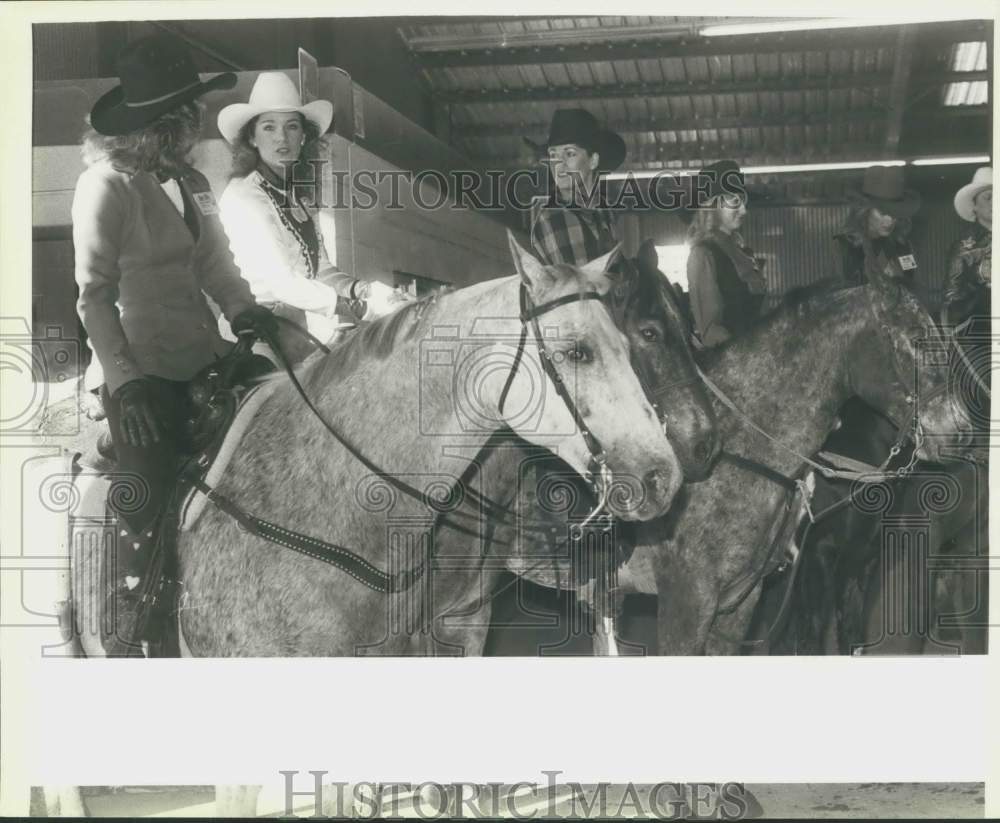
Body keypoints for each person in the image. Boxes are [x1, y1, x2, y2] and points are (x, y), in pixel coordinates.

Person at [72, 33, 277, 652]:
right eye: (185, 112)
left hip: (203, 356)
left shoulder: (192, 183)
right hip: (140, 369)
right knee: (149, 482)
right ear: (159, 120)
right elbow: (93, 297)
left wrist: (245, 315)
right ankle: (142, 619)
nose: (194, 123)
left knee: (285, 415)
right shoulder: (105, 186)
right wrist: (126, 382)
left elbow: (217, 265)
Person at [216, 72, 409, 355]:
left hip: (297, 327)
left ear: (304, 136)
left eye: (291, 127)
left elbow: (320, 270)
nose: (282, 137)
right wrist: (355, 307)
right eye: (269, 127)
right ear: (252, 138)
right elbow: (280, 282)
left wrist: (361, 290)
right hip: (256, 333)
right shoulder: (244, 196)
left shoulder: (297, 195)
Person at [527, 108, 627, 269]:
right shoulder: (554, 213)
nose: (558, 164)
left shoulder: (603, 211)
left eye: (570, 154)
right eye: (553, 155)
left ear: (593, 161)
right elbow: (587, 286)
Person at [686, 160, 766, 348]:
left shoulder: (743, 253)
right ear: (713, 206)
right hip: (734, 361)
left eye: (743, 202)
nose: (744, 210)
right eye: (735, 202)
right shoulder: (702, 255)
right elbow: (711, 332)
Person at [942, 166, 992, 431]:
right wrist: (979, 280)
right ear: (974, 207)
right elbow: (951, 301)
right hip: (978, 335)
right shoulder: (964, 248)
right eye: (988, 197)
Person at [834, 165, 921, 289]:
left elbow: (913, 286)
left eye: (895, 214)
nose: (889, 220)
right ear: (865, 211)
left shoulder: (902, 246)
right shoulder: (844, 246)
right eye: (882, 212)